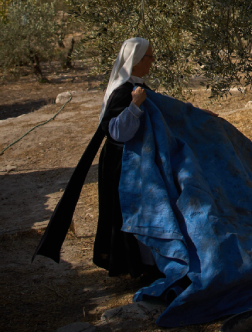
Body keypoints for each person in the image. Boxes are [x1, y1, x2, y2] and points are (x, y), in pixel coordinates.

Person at [34, 38, 214, 278]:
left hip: (137, 161)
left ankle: (150, 264)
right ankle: (136, 267)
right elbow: (117, 131)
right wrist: (134, 107)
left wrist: (195, 115)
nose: (152, 61)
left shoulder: (138, 86)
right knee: (129, 213)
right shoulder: (122, 92)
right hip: (121, 165)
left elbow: (163, 112)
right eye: (149, 57)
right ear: (136, 61)